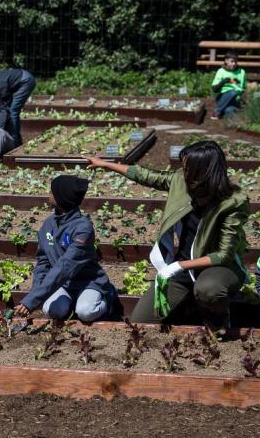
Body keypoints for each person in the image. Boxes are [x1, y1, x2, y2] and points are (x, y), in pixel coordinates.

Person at [87, 140, 249, 328]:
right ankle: (191, 303)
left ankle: (219, 316)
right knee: (141, 320)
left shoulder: (232, 202)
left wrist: (178, 266)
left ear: (203, 172)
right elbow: (146, 175)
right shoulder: (181, 181)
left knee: (208, 291)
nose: (183, 171)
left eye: (187, 168)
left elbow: (224, 255)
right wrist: (106, 164)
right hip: (184, 269)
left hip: (219, 269)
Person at [14, 175, 119, 322]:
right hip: (62, 283)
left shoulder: (83, 228)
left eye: (52, 192)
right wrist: (34, 294)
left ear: (62, 197)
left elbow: (65, 266)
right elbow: (43, 262)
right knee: (54, 311)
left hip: (88, 281)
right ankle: (71, 304)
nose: (48, 194)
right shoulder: (48, 225)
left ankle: (108, 297)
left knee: (85, 312)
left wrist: (33, 299)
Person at [210, 52, 246, 119]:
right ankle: (217, 112)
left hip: (234, 100)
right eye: (232, 61)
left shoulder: (242, 72)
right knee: (232, 92)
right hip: (223, 97)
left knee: (229, 111)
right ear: (226, 61)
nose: (234, 64)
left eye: (235, 62)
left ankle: (222, 109)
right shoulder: (221, 71)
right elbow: (214, 89)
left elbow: (243, 87)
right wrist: (224, 81)